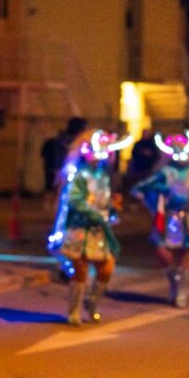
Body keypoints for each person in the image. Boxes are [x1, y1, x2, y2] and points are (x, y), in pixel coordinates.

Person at [131, 129, 189, 307]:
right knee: (161, 250)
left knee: (186, 251)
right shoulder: (166, 172)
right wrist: (148, 195)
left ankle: (181, 291)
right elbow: (146, 186)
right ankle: (173, 281)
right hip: (169, 217)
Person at [49, 130, 130, 325]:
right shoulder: (77, 175)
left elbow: (103, 201)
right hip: (80, 228)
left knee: (107, 269)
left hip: (99, 231)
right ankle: (74, 311)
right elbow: (76, 201)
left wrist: (112, 208)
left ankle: (92, 302)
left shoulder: (103, 175)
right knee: (81, 271)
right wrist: (97, 215)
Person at [41, 117, 87, 195]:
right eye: (83, 129)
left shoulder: (78, 142)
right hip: (63, 174)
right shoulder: (63, 143)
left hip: (71, 174)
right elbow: (58, 159)